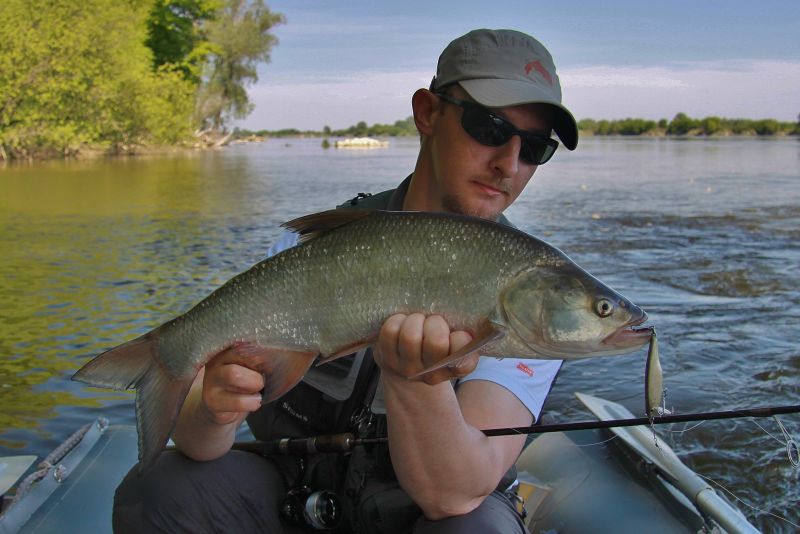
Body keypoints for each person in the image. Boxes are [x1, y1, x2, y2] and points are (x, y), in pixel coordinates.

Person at [113, 28, 579, 533]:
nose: (508, 164)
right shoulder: (315, 249)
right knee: (157, 491)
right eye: (488, 127)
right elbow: (197, 441)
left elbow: (453, 495)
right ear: (428, 112)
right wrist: (212, 411)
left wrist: (416, 381)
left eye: (535, 148)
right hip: (297, 492)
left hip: (419, 515)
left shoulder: (536, 294)